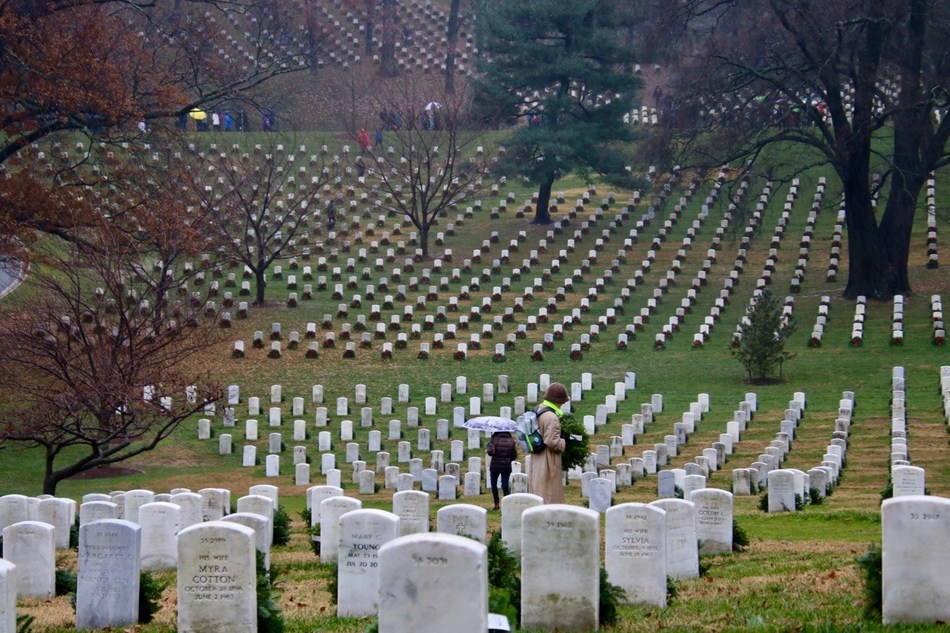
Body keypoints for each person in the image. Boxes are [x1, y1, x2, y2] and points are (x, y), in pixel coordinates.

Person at [527, 382, 569, 504]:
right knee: (549, 494)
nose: (563, 404)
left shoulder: (539, 409)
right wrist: (564, 442)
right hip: (548, 460)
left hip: (537, 457)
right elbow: (552, 442)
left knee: (538, 490)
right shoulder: (552, 417)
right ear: (558, 400)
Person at [486, 431, 517, 510]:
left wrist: (489, 445)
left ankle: (496, 503)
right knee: (505, 485)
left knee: (494, 484)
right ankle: (508, 504)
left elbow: (490, 453)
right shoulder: (511, 441)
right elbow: (513, 455)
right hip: (506, 465)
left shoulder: (494, 439)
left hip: (495, 465)